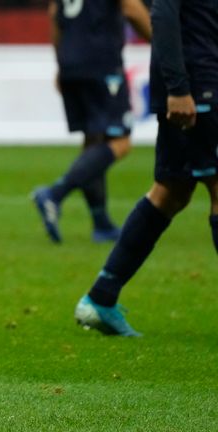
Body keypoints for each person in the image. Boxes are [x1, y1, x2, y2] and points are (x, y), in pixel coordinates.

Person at [74, 0, 218, 336]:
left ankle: (101, 297)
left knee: (171, 191)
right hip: (197, 85)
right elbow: (163, 12)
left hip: (197, 80)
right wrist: (178, 88)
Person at [33, 0, 151, 243]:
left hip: (70, 63)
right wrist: (163, 43)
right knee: (120, 141)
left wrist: (61, 62)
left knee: (93, 141)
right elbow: (131, 8)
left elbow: (55, 13)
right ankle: (55, 193)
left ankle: (101, 224)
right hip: (101, 61)